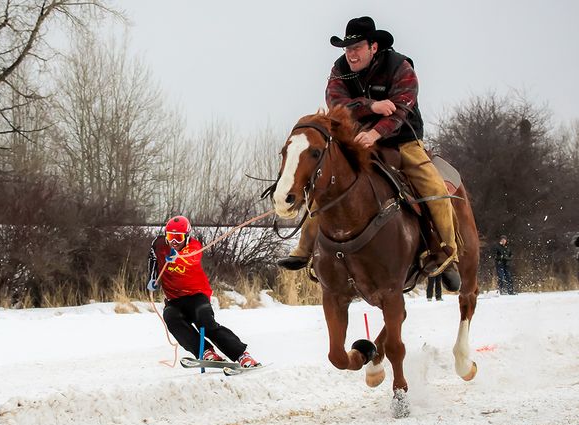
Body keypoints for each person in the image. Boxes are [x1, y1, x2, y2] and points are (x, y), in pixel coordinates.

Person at [277, 16, 460, 292]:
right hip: (357, 140)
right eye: (347, 49)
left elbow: (401, 109)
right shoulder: (339, 70)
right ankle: (304, 248)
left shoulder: (401, 67)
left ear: (373, 47)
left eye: (357, 48)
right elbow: (336, 103)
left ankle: (447, 253)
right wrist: (371, 106)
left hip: (402, 141)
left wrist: (376, 132)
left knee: (434, 189)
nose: (351, 54)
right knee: (326, 181)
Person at [147, 215, 260, 368]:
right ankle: (205, 352)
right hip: (175, 300)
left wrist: (178, 257)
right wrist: (152, 279)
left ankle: (242, 355)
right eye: (170, 237)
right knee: (171, 318)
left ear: (186, 237)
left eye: (178, 238)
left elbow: (190, 258)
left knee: (205, 323)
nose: (174, 242)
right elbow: (153, 259)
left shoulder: (194, 246)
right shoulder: (159, 244)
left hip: (197, 296)